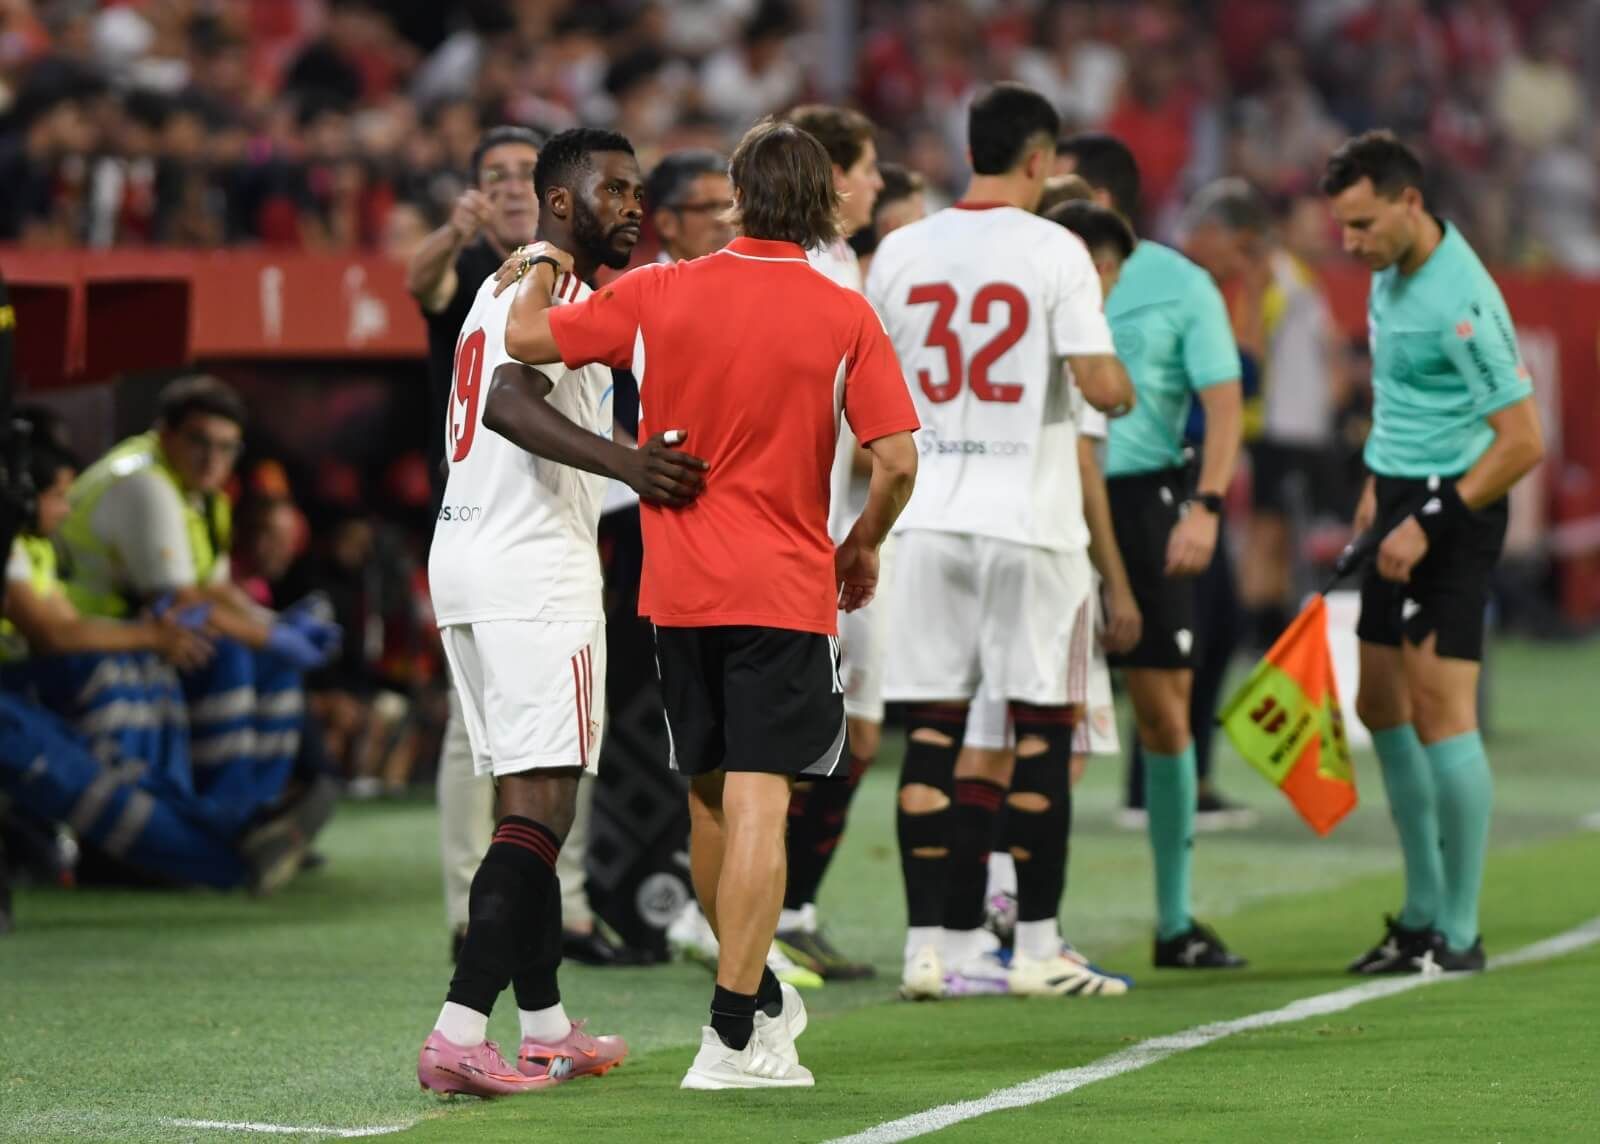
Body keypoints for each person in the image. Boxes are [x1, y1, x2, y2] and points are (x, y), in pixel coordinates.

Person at [498, 118, 919, 1089]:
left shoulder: (655, 289)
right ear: (820, 206)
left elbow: (525, 336)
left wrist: (541, 253)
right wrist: (860, 545)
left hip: (678, 586)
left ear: (735, 193)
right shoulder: (841, 312)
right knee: (762, 800)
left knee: (708, 796)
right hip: (783, 584)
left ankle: (757, 997)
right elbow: (895, 458)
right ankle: (731, 1029)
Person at [417, 127, 701, 1097]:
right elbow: (506, 400)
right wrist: (633, 464)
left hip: (466, 552)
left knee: (523, 801)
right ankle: (460, 1028)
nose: (633, 205)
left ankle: (542, 1023)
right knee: (541, 807)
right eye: (613, 190)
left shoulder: (511, 285)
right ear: (561, 202)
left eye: (637, 190)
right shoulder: (554, 293)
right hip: (531, 566)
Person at [870, 83, 1134, 1001]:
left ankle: (926, 951)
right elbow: (1101, 385)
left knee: (933, 737)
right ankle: (1036, 949)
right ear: (1039, 160)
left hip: (929, 518)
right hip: (1030, 522)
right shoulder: (1057, 247)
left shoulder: (899, 252)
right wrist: (1121, 385)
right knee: (1040, 734)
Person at [1323, 132, 1543, 974]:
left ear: (1409, 202)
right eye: (1343, 226)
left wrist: (1430, 516)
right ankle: (1415, 913)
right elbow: (1400, 399)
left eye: (1364, 223)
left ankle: (1458, 929)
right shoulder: (1389, 273)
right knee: (1380, 708)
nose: (1352, 243)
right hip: (1397, 498)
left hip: (1459, 508)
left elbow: (1523, 442)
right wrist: (1378, 496)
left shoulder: (1464, 300)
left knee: (1442, 712)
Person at [1056, 133, 1248, 969]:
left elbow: (1225, 403)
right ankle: (1027, 923)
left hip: (1145, 505)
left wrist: (1206, 506)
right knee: (1045, 716)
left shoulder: (1179, 284)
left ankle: (1174, 920)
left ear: (1102, 196)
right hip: (1049, 502)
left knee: (1166, 715)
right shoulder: (1027, 272)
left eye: (1062, 183)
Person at [58, 377, 339, 842]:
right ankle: (218, 824)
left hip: (133, 634)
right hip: (83, 639)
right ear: (165, 434)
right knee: (228, 657)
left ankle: (259, 813)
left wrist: (275, 623)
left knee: (272, 666)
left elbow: (211, 588)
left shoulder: (201, 494)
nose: (213, 459)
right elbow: (181, 603)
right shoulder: (144, 484)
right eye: (199, 442)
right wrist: (273, 636)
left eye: (227, 447)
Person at [746, 101, 887, 984]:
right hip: (809, 534)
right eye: (867, 167)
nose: (875, 183)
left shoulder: (846, 265)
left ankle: (790, 909)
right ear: (833, 178)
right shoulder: (820, 273)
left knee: (853, 734)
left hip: (843, 524)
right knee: (781, 749)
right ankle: (742, 926)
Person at [406, 124, 544, 962]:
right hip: (475, 512)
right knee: (475, 720)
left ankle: (556, 901)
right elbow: (415, 283)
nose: (511, 186)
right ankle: (469, 907)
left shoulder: (565, 267)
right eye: (495, 175)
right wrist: (453, 230)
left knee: (565, 720)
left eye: (527, 172)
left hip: (552, 512)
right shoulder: (464, 268)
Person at [1184, 178, 1338, 650]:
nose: (1328, 235)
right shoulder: (1277, 282)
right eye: (1313, 225)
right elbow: (1252, 363)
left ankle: (1259, 632)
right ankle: (1258, 635)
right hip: (1274, 428)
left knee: (1276, 538)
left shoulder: (1296, 280)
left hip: (1291, 427)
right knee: (1265, 538)